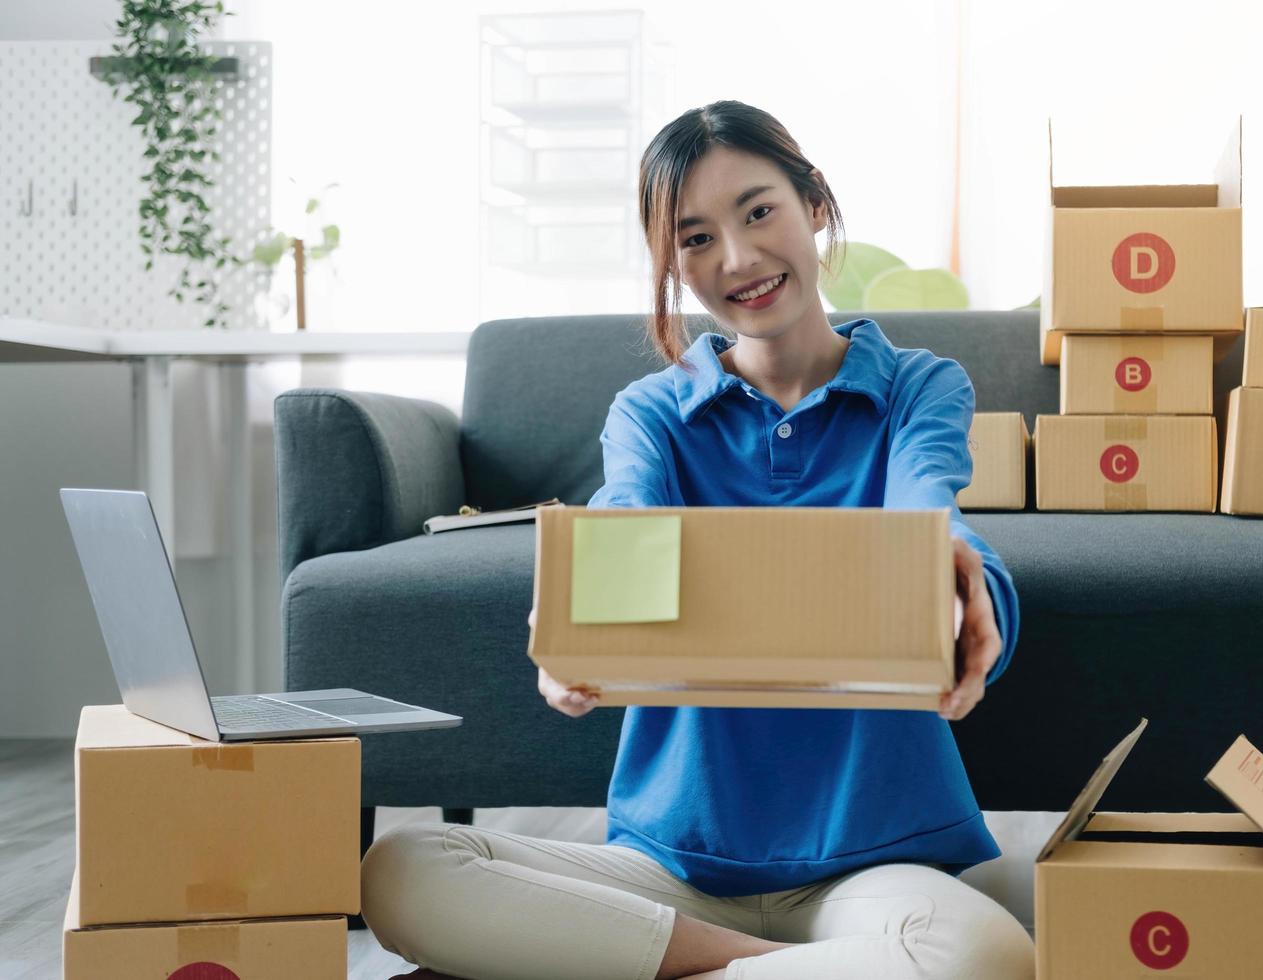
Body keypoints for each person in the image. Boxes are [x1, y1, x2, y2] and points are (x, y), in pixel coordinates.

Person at [362, 100, 1033, 980]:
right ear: (671, 265)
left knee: (983, 955)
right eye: (696, 238)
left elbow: (927, 508)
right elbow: (626, 516)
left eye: (758, 212)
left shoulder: (918, 386)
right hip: (669, 872)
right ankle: (764, 963)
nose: (739, 260)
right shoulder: (652, 412)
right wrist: (577, 606)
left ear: (815, 204)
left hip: (873, 865)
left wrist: (960, 579)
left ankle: (633, 966)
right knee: (405, 871)